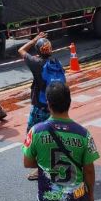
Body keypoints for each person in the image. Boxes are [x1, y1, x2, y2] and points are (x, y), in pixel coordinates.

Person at [18, 32, 66, 180]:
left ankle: (41, 169)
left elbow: (21, 50)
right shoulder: (56, 63)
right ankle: (59, 165)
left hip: (39, 108)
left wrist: (34, 40)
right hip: (54, 107)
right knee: (54, 137)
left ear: (38, 51)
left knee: (34, 137)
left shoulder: (37, 63)